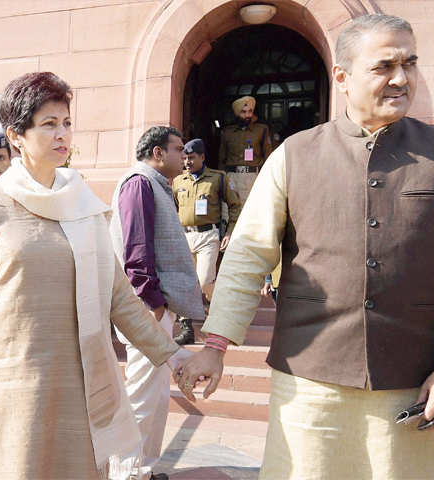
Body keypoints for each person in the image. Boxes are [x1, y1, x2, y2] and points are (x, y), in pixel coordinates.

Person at [178, 14, 434, 479]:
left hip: (416, 384)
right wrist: (215, 344)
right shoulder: (293, 154)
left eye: (410, 64)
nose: (401, 78)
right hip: (309, 389)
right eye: (384, 66)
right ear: (343, 77)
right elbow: (248, 257)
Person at [0, 72, 192, 479]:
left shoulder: (84, 204)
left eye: (66, 123)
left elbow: (119, 297)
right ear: (15, 135)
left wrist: (174, 355)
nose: (62, 134)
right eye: (48, 124)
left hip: (80, 388)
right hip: (10, 389)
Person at [109, 126, 205, 480]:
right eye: (178, 149)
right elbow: (136, 250)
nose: (185, 157)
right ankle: (127, 472)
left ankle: (142, 469)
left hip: (150, 306)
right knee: (142, 395)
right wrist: (151, 302)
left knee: (155, 395)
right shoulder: (139, 183)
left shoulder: (153, 184)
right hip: (144, 306)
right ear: (157, 153)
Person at [172, 138, 240, 345]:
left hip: (208, 236)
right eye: (184, 158)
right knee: (184, 284)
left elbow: (235, 205)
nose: (187, 162)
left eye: (192, 158)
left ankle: (219, 311)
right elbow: (173, 209)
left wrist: (230, 231)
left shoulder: (218, 178)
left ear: (202, 157)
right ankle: (186, 329)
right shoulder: (178, 181)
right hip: (184, 236)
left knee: (203, 281)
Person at [218, 96, 272, 214]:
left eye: (250, 111)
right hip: (231, 177)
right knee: (229, 212)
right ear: (237, 113)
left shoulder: (261, 130)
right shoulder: (227, 132)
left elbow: (268, 156)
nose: (247, 115)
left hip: (252, 177)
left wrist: (265, 179)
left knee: (252, 213)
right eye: (243, 112)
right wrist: (222, 180)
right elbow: (222, 159)